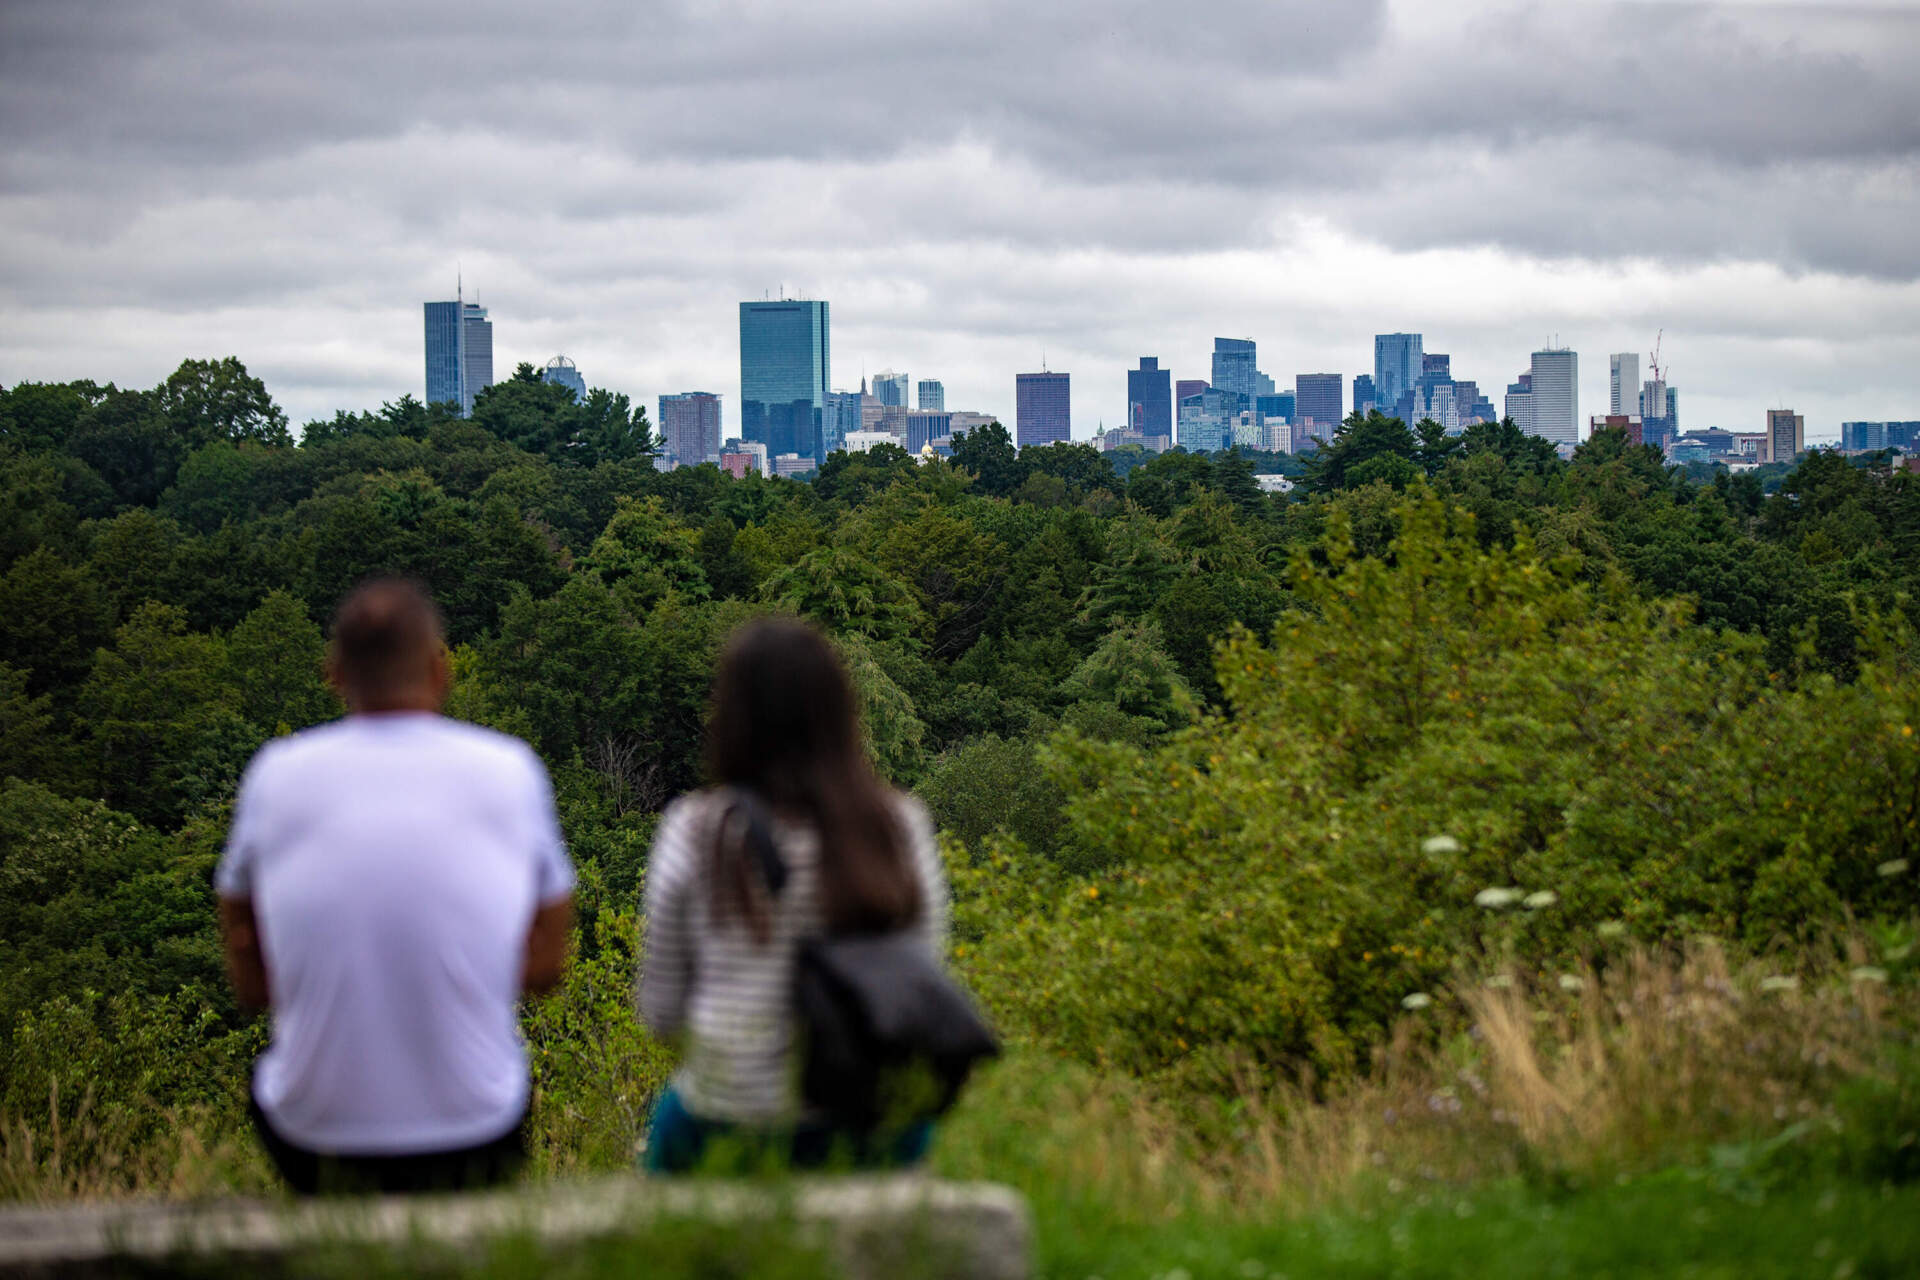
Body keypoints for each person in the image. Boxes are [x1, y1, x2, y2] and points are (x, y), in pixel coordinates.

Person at [216, 579, 574, 1195]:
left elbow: (249, 981)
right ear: (439, 670)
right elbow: (545, 970)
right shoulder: (508, 769)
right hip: (476, 1129)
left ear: (335, 674)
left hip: (313, 1136)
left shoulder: (275, 777)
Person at [638, 616, 948, 1173]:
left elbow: (660, 1014)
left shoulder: (696, 831)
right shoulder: (897, 826)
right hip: (869, 1125)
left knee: (665, 1124)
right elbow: (924, 980)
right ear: (839, 713)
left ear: (731, 719)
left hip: (727, 1118)